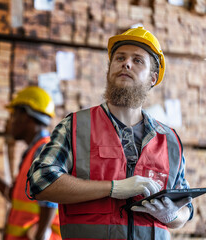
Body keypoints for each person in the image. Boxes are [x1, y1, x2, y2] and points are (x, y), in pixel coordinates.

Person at [26, 27, 193, 240]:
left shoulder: (169, 141)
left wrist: (171, 215)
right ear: (109, 69)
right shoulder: (75, 126)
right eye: (119, 58)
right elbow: (40, 182)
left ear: (153, 78)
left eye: (138, 60)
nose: (126, 63)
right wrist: (113, 188)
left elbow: (186, 209)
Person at [0, 86, 61, 240]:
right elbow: (14, 195)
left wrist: (40, 235)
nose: (11, 122)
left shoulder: (43, 150)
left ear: (26, 116)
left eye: (14, 115)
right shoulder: (32, 152)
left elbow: (51, 200)